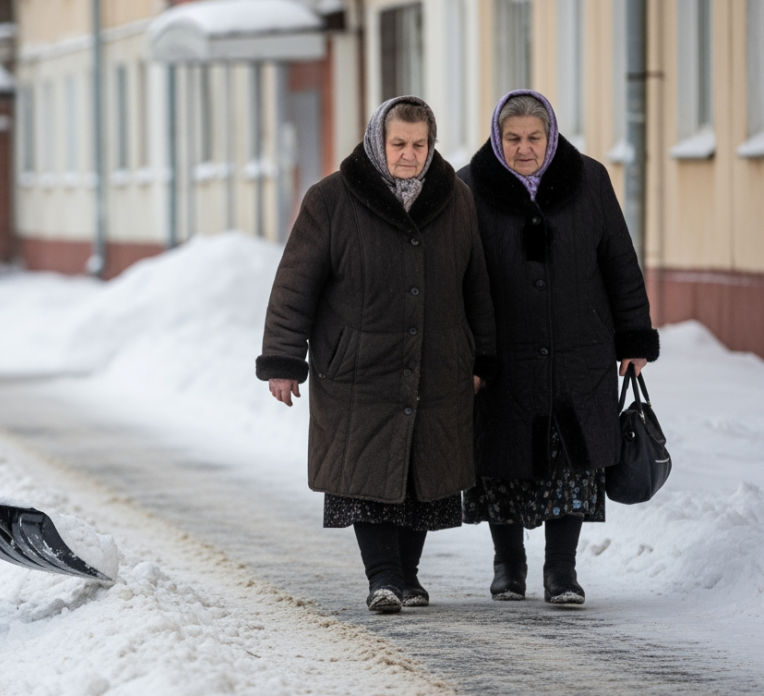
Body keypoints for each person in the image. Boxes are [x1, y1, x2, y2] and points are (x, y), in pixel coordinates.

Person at [257, 96, 497, 613]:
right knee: (367, 471)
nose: (409, 155)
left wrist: (482, 359)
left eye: (419, 144)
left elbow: (477, 285)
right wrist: (281, 361)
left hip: (437, 363)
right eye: (398, 144)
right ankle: (383, 578)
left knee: (423, 476)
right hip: (357, 367)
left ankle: (407, 576)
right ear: (376, 142)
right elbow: (294, 284)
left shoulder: (455, 198)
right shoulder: (331, 200)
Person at [457, 90, 659, 605]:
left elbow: (619, 259)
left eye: (534, 137)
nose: (524, 148)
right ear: (497, 139)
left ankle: (562, 572)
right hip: (501, 353)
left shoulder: (589, 180)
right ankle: (508, 565)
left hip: (579, 348)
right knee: (500, 458)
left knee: (573, 460)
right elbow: (455, 274)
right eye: (513, 138)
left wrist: (633, 336)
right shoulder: (468, 186)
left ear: (551, 136)